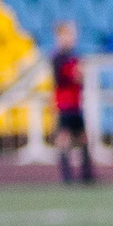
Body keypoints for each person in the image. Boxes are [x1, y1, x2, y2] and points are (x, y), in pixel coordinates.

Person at [48, 20, 95, 184]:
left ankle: (87, 174)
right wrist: (76, 74)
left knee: (82, 138)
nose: (71, 38)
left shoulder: (75, 56)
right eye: (68, 34)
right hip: (64, 104)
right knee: (64, 138)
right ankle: (66, 175)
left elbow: (80, 80)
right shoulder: (58, 57)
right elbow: (61, 79)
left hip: (76, 104)